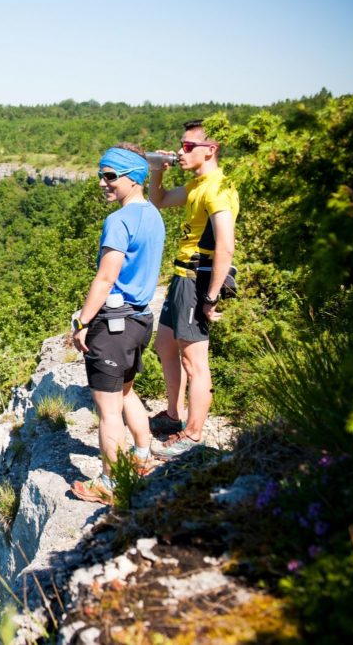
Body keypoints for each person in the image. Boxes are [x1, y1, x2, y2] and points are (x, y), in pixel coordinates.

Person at [71, 144, 165, 505]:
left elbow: (105, 278)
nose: (102, 183)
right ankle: (142, 455)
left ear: (134, 178)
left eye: (110, 176)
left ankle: (111, 484)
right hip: (141, 321)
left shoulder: (119, 220)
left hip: (113, 323)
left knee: (108, 411)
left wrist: (82, 321)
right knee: (125, 391)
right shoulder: (154, 215)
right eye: (101, 175)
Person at [147, 119, 238, 459]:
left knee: (193, 360)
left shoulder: (218, 188)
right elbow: (159, 200)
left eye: (188, 147)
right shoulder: (198, 184)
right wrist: (158, 169)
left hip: (197, 279)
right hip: (181, 276)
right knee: (166, 344)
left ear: (210, 150)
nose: (181, 152)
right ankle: (173, 416)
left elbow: (225, 246)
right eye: (181, 146)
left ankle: (193, 434)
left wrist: (211, 297)